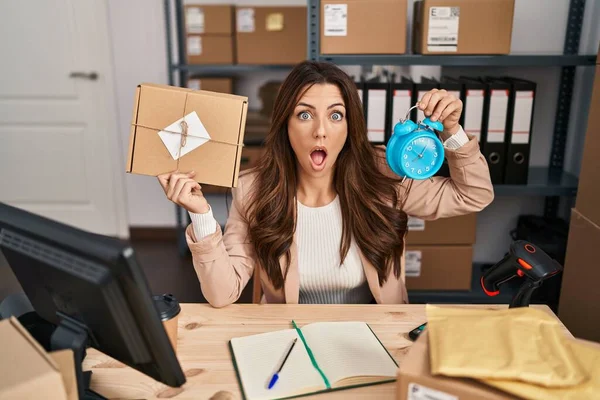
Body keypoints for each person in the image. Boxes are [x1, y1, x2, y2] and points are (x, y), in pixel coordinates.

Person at [158, 61, 494, 308]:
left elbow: (473, 194)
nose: (321, 131)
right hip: (289, 340)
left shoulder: (382, 177)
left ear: (350, 126)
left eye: (335, 116)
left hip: (376, 338)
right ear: (285, 126)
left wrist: (451, 130)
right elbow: (222, 294)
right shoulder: (254, 190)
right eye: (304, 115)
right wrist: (201, 215)